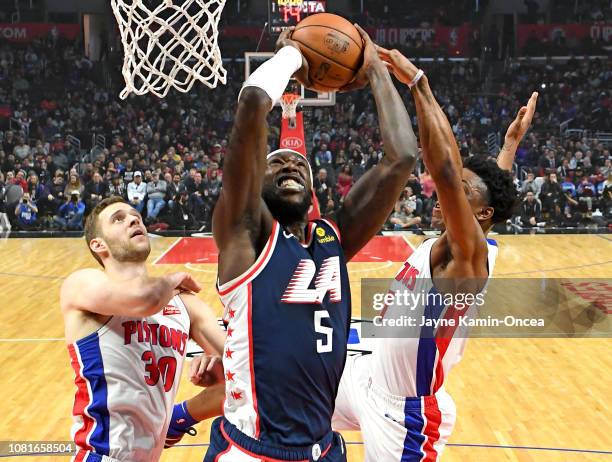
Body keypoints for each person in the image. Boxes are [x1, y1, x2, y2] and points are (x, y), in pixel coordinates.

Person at [198, 26, 418, 462]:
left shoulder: (332, 239)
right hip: (253, 451)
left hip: (325, 449)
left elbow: (403, 158)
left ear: (314, 192)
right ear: (254, 186)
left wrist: (375, 69)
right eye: (275, 163)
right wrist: (292, 58)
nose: (289, 167)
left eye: (298, 164)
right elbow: (252, 106)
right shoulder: (245, 236)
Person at [330, 47, 524, 462]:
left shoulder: (468, 259)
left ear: (480, 213)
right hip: (364, 375)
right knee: (281, 382)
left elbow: (449, 173)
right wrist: (508, 149)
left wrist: (419, 83)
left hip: (403, 413)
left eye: (462, 194)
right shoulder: (478, 239)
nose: (443, 194)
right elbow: (487, 193)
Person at [60, 196, 226, 462]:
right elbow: (143, 300)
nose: (133, 219)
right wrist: (172, 279)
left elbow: (248, 372)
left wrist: (218, 375)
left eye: (135, 215)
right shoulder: (83, 284)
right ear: (98, 244)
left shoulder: (184, 304)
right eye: (118, 218)